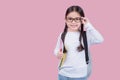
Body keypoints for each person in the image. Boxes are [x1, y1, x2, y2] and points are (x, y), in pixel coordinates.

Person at [54, 5, 104, 80]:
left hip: (79, 75)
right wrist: (57, 53)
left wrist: (88, 25)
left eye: (77, 19)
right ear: (65, 20)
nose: (73, 22)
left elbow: (100, 39)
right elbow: (56, 49)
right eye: (70, 19)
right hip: (63, 74)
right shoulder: (62, 35)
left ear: (82, 20)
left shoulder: (86, 35)